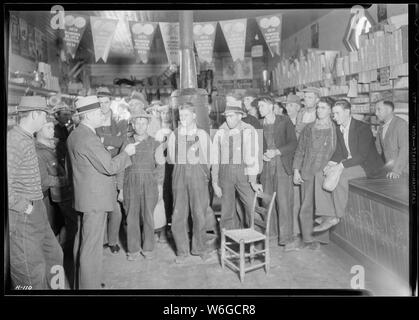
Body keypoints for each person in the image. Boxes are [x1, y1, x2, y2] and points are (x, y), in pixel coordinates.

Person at [67, 96, 138, 289]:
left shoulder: (75, 134)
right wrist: (127, 153)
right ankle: (90, 287)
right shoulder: (89, 138)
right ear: (89, 115)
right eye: (99, 111)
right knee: (91, 250)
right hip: (95, 201)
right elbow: (109, 167)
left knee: (81, 243)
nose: (103, 113)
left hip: (84, 198)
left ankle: (81, 283)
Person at [8, 96, 64, 289]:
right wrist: (26, 207)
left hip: (37, 208)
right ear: (35, 114)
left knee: (55, 255)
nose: (46, 121)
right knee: (30, 272)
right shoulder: (14, 141)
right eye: (44, 116)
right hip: (23, 214)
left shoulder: (27, 137)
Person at [314, 99, 386, 232]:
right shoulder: (339, 129)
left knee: (342, 176)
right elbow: (340, 151)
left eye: (337, 113)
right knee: (320, 174)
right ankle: (326, 214)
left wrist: (340, 166)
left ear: (347, 112)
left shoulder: (362, 128)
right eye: (333, 114)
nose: (334, 117)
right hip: (351, 163)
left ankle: (337, 216)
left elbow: (361, 156)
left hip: (367, 166)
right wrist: (330, 164)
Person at [167, 102, 214, 264]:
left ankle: (199, 248)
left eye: (186, 115)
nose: (183, 118)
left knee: (199, 214)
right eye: (180, 116)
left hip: (198, 176)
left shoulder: (202, 134)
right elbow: (172, 158)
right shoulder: (174, 135)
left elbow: (209, 159)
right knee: (178, 214)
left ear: (194, 115)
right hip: (179, 176)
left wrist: (200, 173)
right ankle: (182, 251)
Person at [35, 115, 78, 287]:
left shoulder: (55, 145)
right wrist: (67, 180)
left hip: (63, 196)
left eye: (52, 127)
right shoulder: (38, 152)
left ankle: (63, 260)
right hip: (50, 199)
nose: (52, 130)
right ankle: (53, 272)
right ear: (38, 130)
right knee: (53, 231)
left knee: (66, 227)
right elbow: (44, 181)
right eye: (47, 128)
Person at [293, 97, 337, 250]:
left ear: (331, 110)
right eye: (318, 107)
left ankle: (318, 239)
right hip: (307, 172)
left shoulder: (335, 129)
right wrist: (296, 170)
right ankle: (306, 239)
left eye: (323, 108)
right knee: (306, 206)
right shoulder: (309, 128)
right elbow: (300, 150)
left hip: (324, 175)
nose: (319, 110)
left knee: (322, 209)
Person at [211, 96, 262, 230]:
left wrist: (253, 180)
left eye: (232, 116)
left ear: (240, 116)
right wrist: (215, 182)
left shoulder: (249, 130)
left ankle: (256, 242)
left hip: (243, 173)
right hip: (225, 174)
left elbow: (253, 157)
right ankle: (229, 242)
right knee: (227, 211)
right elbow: (215, 159)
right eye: (227, 116)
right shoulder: (220, 132)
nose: (228, 119)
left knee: (251, 206)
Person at [256, 95, 299, 251]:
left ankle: (286, 239)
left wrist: (277, 152)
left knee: (284, 202)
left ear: (271, 105)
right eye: (259, 106)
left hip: (282, 166)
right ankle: (271, 234)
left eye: (261, 106)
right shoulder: (259, 124)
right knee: (267, 202)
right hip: (266, 168)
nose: (259, 109)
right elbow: (257, 147)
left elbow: (294, 143)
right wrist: (261, 154)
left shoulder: (284, 121)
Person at [122, 109, 165, 261]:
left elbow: (160, 166)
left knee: (148, 215)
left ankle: (148, 248)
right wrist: (120, 188)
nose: (140, 126)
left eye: (143, 122)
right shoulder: (126, 142)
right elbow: (121, 166)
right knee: (131, 216)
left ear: (148, 124)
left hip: (150, 182)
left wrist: (159, 186)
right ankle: (133, 249)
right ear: (132, 124)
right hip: (130, 182)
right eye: (137, 122)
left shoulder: (155, 143)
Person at [95, 87, 127, 254]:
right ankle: (101, 241)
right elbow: (93, 144)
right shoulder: (93, 121)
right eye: (100, 103)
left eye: (106, 102)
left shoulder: (118, 120)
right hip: (97, 171)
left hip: (114, 170)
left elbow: (121, 141)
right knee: (99, 212)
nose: (103, 106)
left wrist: (103, 139)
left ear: (111, 103)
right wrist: (110, 143)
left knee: (116, 212)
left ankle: (113, 240)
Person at [374, 100, 408, 179]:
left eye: (379, 109)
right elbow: (377, 149)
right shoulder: (381, 127)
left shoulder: (401, 124)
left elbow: (405, 149)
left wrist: (396, 171)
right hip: (389, 170)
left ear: (389, 110)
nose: (376, 113)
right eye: (375, 110)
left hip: (402, 171)